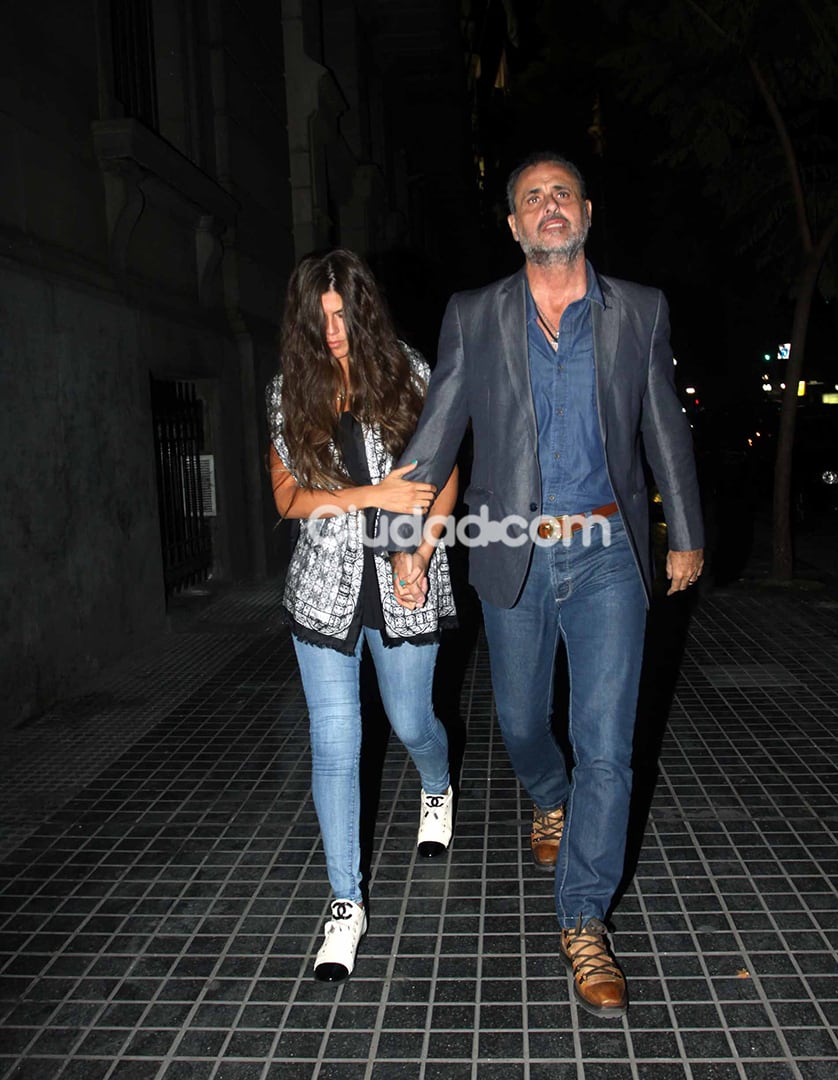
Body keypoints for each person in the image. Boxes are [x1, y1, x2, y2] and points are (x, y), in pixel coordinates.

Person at [386, 152, 704, 1018]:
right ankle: (550, 797)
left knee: (609, 743)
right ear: (516, 225)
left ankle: (584, 918)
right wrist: (403, 539)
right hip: (510, 545)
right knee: (523, 721)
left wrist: (688, 533)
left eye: (562, 194)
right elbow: (438, 428)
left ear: (587, 212)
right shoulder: (475, 314)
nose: (550, 206)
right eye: (534, 198)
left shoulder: (635, 310)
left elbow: (663, 422)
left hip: (609, 549)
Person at [266, 249, 458, 983]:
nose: (334, 330)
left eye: (344, 314)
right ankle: (346, 903)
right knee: (336, 743)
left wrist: (420, 551)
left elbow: (445, 474)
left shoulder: (409, 371)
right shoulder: (289, 390)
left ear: (363, 309)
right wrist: (369, 498)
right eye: (321, 318)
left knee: (412, 723)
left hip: (407, 574)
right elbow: (288, 499)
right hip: (324, 588)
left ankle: (437, 783)